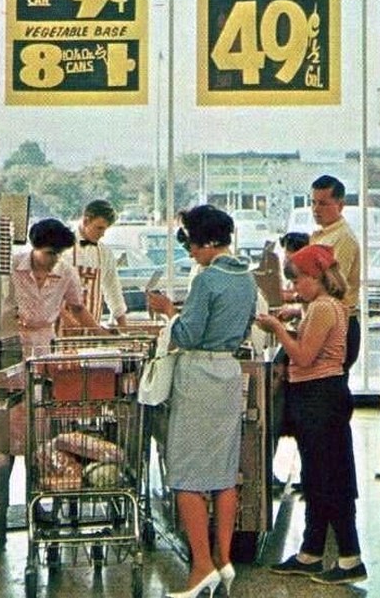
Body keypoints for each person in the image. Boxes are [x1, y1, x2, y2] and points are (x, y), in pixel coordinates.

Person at [147, 205, 257, 598]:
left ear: (208, 241)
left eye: (192, 244)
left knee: (186, 474)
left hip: (198, 377)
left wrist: (169, 313)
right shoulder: (247, 277)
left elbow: (188, 336)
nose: (191, 252)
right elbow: (245, 326)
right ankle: (223, 559)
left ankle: (200, 567)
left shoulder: (207, 279)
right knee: (224, 474)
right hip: (228, 373)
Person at [256, 243, 367, 585]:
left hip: (320, 398)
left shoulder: (322, 308)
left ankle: (350, 558)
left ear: (316, 277)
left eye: (298, 280)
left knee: (329, 478)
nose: (294, 288)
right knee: (319, 477)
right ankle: (311, 552)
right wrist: (291, 325)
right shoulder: (328, 306)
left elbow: (304, 357)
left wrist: (278, 331)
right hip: (323, 397)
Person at [7, 218, 108, 358]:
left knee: (44, 371)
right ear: (35, 247)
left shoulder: (67, 272)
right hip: (13, 337)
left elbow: (78, 308)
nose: (55, 259)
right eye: (50, 253)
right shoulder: (12, 266)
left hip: (45, 339)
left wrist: (101, 334)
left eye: (59, 253)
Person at [309, 175, 361, 375]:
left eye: (323, 203)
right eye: (313, 202)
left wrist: (298, 296)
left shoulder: (342, 238)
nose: (316, 209)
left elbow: (333, 287)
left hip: (338, 325)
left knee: (332, 386)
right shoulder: (322, 235)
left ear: (340, 205)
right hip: (326, 321)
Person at [59, 199, 128, 332]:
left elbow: (113, 291)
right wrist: (66, 317)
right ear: (86, 221)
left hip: (92, 332)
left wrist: (124, 328)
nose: (102, 234)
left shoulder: (105, 253)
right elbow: (48, 293)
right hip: (62, 328)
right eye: (99, 228)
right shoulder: (61, 247)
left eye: (105, 229)